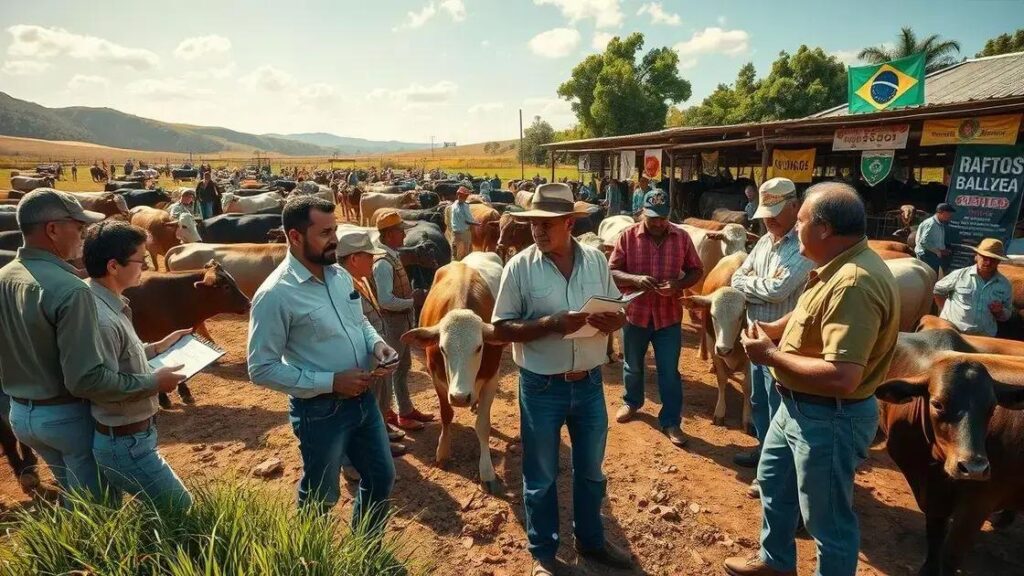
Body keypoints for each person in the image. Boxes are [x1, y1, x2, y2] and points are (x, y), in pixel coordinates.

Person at [727, 182, 899, 576]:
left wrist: (770, 356)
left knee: (827, 521)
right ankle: (775, 561)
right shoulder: (834, 268)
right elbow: (807, 312)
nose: (794, 228)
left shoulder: (854, 283)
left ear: (822, 228)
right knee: (774, 484)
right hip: (797, 407)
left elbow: (842, 376)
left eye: (800, 220)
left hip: (829, 417)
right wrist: (774, 330)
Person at [0, 189, 182, 501]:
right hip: (65, 416)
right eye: (79, 227)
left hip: (20, 414)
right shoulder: (72, 290)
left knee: (77, 497)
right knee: (100, 508)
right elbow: (88, 379)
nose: (83, 236)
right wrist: (154, 381)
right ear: (53, 229)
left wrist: (149, 350)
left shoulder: (5, 276)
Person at [491, 183, 633, 576]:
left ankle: (591, 542)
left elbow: (617, 308)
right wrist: (549, 324)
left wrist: (616, 319)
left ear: (569, 222)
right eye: (533, 222)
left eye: (547, 223)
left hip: (589, 383)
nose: (537, 230)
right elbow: (501, 328)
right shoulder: (519, 266)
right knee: (540, 476)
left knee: (590, 471)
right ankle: (544, 555)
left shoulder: (596, 262)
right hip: (541, 387)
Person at [247, 196, 397, 526]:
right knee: (320, 496)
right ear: (295, 237)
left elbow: (359, 321)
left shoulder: (340, 276)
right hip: (320, 412)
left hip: (363, 402)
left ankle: (365, 555)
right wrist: (331, 381)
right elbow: (260, 368)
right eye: (325, 233)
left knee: (381, 477)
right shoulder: (275, 295)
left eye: (336, 230)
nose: (335, 240)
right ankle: (310, 562)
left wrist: (378, 346)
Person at [82, 221, 192, 507]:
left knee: (155, 510)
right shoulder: (101, 317)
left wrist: (157, 347)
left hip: (132, 437)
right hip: (125, 443)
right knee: (181, 507)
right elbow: (99, 382)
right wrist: (156, 382)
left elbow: (121, 357)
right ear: (113, 266)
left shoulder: (107, 302)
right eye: (140, 260)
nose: (145, 266)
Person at [728, 178, 814, 495]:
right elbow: (738, 275)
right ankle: (765, 452)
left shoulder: (804, 244)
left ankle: (774, 475)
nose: (768, 219)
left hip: (785, 344)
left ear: (795, 206)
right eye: (766, 213)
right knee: (759, 402)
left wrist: (755, 285)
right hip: (755, 339)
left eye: (775, 212)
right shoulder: (765, 241)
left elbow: (780, 291)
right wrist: (760, 286)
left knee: (782, 409)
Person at [610, 189, 702, 448]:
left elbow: (697, 270)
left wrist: (679, 284)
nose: (658, 223)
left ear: (668, 215)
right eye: (653, 218)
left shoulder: (681, 238)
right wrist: (635, 279)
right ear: (642, 214)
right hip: (635, 314)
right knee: (633, 365)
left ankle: (671, 420)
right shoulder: (627, 237)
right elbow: (612, 270)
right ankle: (632, 402)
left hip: (668, 317)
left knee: (669, 372)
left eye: (662, 218)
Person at [336, 228, 407, 461]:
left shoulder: (358, 280)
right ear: (354, 259)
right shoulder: (341, 286)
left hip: (375, 356)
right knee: (362, 411)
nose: (374, 260)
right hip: (362, 361)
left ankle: (381, 439)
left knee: (378, 402)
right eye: (369, 255)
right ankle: (362, 457)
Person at [370, 210, 434, 431]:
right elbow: (385, 300)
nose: (404, 236)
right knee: (388, 370)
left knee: (403, 365)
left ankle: (405, 411)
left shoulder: (393, 256)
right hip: (392, 323)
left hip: (402, 321)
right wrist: (412, 301)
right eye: (400, 231)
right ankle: (386, 415)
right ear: (388, 235)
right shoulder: (383, 263)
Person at [933, 238, 1013, 337]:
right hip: (954, 333)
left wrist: (1000, 312)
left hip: (985, 337)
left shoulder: (1004, 285)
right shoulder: (959, 275)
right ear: (976, 257)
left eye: (993, 259)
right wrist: (945, 311)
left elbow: (1008, 313)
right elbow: (938, 290)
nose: (988, 263)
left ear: (999, 262)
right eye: (984, 258)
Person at [914, 203, 955, 273]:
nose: (950, 216)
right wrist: (939, 251)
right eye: (949, 214)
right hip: (926, 255)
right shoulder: (931, 223)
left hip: (933, 254)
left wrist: (943, 250)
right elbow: (923, 242)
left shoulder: (940, 224)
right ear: (941, 213)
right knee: (931, 277)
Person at [450, 186, 479, 261]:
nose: (462, 197)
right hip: (464, 232)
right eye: (463, 196)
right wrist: (478, 224)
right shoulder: (465, 206)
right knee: (466, 252)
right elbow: (468, 220)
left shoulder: (453, 205)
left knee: (454, 251)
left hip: (455, 232)